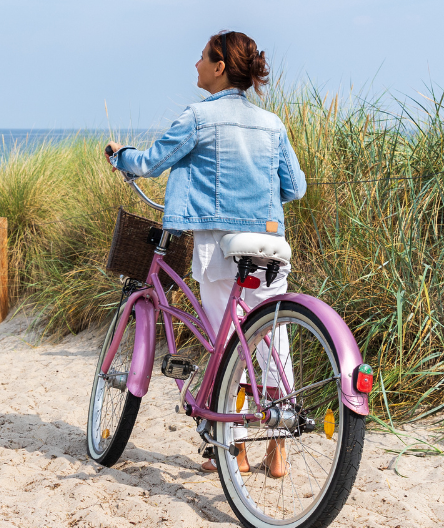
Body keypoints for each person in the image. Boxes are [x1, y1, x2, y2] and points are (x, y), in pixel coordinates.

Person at [104, 30, 306, 478]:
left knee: (226, 340)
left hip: (220, 245)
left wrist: (121, 156)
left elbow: (152, 162)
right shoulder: (272, 124)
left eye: (201, 58)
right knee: (272, 337)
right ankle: (278, 445)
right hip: (270, 243)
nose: (195, 65)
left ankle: (231, 449)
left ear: (219, 68)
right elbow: (296, 186)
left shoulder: (198, 117)